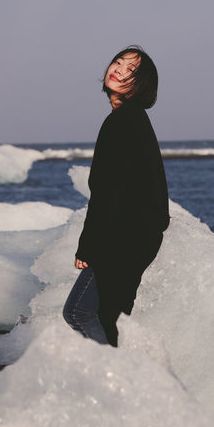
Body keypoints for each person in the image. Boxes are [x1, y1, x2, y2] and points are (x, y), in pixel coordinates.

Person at [63, 45, 169, 347]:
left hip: (125, 237)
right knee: (110, 316)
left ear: (141, 84)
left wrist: (88, 246)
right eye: (118, 62)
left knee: (79, 312)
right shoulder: (132, 119)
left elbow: (109, 192)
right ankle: (120, 382)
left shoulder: (124, 121)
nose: (119, 69)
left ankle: (113, 380)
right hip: (137, 235)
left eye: (131, 70)